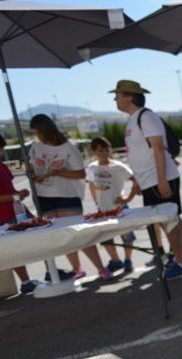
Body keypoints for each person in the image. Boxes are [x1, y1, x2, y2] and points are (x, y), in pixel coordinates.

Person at [111, 80, 182, 280]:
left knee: (168, 221)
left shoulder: (146, 117)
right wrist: (139, 183)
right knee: (172, 219)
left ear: (129, 97)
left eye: (117, 95)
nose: (114, 99)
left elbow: (158, 149)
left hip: (159, 179)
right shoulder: (135, 119)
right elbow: (139, 154)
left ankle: (181, 263)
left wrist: (161, 181)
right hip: (151, 180)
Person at [28, 114, 112, 281]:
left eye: (37, 132)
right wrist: (33, 174)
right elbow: (31, 168)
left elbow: (81, 173)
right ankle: (77, 268)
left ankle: (101, 268)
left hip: (68, 196)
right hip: (44, 197)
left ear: (45, 129)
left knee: (78, 233)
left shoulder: (68, 148)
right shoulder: (35, 148)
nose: (36, 135)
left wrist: (57, 172)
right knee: (62, 235)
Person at [86, 137, 138, 274]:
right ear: (94, 152)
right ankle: (115, 260)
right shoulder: (92, 167)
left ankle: (128, 260)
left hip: (119, 208)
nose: (104, 153)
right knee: (106, 238)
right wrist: (95, 200)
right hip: (103, 209)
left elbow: (135, 180)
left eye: (106, 149)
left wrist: (128, 197)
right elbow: (91, 184)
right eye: (100, 150)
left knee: (127, 236)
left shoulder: (118, 166)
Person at [0, 136, 39, 293]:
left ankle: (50, 271)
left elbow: (10, 191)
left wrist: (18, 195)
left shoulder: (3, 166)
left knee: (39, 236)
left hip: (18, 211)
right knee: (14, 249)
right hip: (3, 217)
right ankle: (26, 281)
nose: (2, 152)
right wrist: (17, 195)